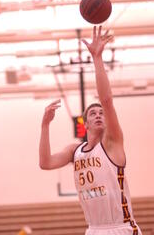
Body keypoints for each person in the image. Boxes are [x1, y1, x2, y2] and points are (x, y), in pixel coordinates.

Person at [39, 26, 142, 235]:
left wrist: (97, 58)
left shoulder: (112, 143)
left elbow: (106, 100)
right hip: (94, 230)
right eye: (93, 114)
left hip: (121, 228)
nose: (98, 115)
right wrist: (45, 126)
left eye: (101, 113)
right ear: (85, 124)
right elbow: (45, 163)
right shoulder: (75, 151)